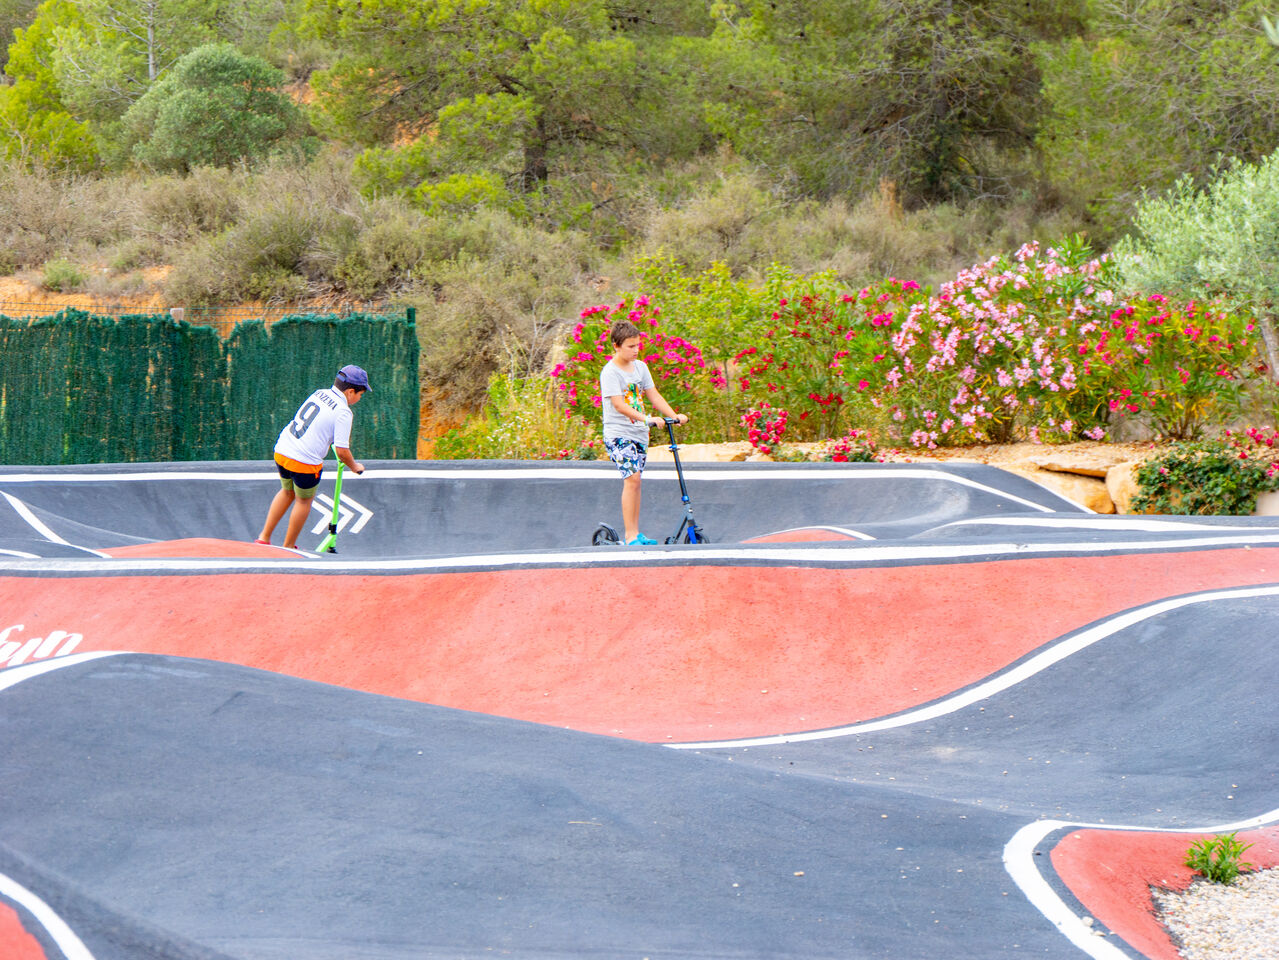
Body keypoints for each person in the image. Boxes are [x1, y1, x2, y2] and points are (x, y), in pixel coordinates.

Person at [256, 364, 370, 550]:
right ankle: (289, 546)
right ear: (350, 392)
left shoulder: (319, 393)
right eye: (360, 394)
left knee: (287, 492)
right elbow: (342, 451)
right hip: (304, 462)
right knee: (303, 500)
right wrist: (354, 466)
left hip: (283, 450)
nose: (359, 398)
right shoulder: (343, 411)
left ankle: (263, 537)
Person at [599, 320, 688, 545]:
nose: (635, 350)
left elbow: (653, 394)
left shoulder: (641, 367)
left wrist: (674, 416)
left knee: (637, 483)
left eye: (637, 345)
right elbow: (619, 405)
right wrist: (648, 419)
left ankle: (636, 533)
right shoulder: (610, 372)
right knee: (633, 478)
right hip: (618, 434)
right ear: (616, 346)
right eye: (630, 346)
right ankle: (630, 536)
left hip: (639, 434)